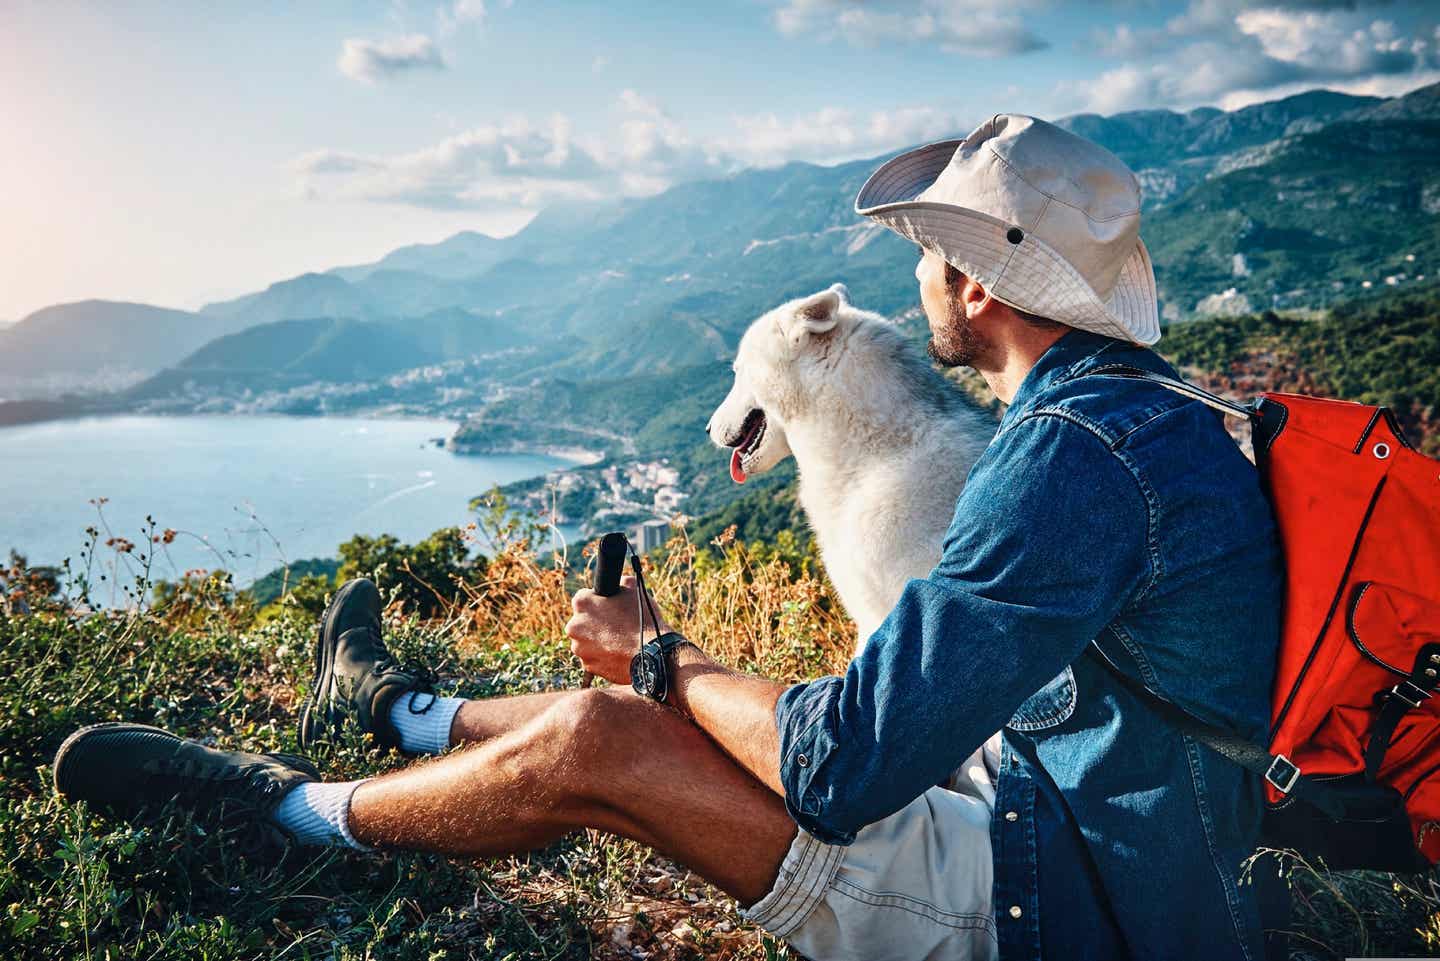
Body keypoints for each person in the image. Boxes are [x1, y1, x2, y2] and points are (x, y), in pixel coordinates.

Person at [52, 115, 1283, 961]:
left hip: (1060, 904)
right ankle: (398, 710)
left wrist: (663, 658)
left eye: (927, 257)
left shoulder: (1073, 457)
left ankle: (285, 810)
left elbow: (838, 765)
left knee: (612, 729)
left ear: (976, 284)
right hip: (1095, 832)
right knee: (723, 699)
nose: (916, 283)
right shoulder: (1165, 416)